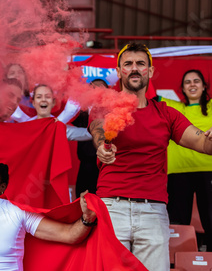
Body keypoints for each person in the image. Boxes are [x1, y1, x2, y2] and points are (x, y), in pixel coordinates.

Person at [89, 43, 212, 270]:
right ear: (118, 72)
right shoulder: (104, 107)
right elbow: (97, 130)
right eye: (128, 64)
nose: (134, 68)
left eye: (140, 64)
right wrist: (101, 147)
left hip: (153, 212)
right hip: (112, 208)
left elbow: (202, 143)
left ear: (151, 71)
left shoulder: (166, 114)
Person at [158, 69, 212, 251]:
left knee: (211, 219)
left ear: (204, 86)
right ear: (182, 88)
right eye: (188, 82)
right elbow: (147, 94)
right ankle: (175, 261)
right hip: (178, 174)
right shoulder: (171, 107)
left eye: (197, 81)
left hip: (208, 170)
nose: (192, 85)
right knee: (177, 221)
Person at [72, 79, 108, 198]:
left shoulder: (114, 114)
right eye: (92, 89)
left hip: (105, 168)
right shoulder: (80, 113)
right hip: (85, 169)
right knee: (83, 205)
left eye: (100, 89)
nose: (96, 92)